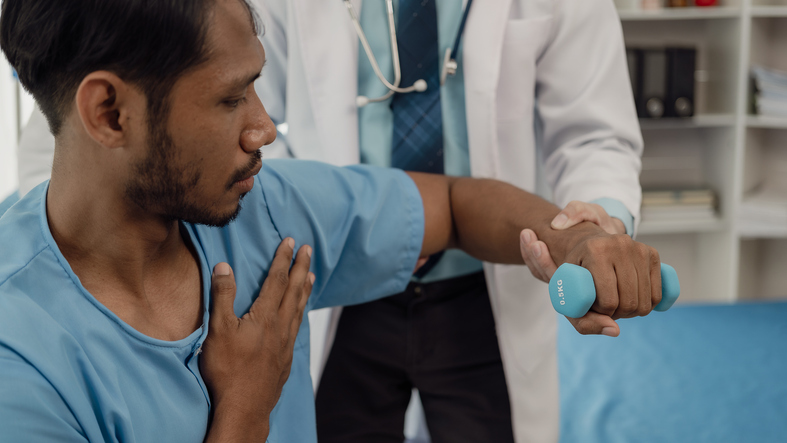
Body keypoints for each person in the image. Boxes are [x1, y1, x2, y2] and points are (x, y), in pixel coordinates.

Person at [0, 0, 660, 442]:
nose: (263, 126)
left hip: (469, 289)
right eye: (236, 98)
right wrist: (244, 411)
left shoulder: (268, 215)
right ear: (110, 114)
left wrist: (577, 235)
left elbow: (458, 201)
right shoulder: (25, 362)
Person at [249, 1, 644, 441]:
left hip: (483, 291)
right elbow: (249, 118)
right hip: (338, 277)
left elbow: (593, 135)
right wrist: (334, 220)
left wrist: (594, 225)